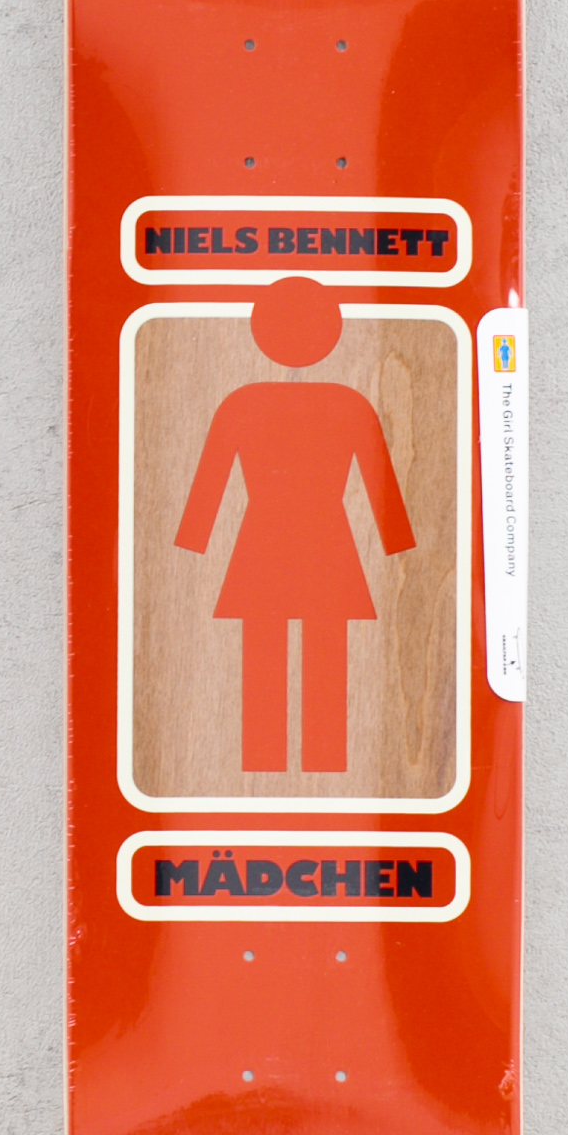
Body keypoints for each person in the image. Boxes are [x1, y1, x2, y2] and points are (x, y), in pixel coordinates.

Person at [175, 277, 415, 773]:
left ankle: (267, 760)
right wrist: (398, 548)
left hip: (265, 543)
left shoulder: (243, 403)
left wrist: (192, 545)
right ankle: (321, 760)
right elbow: (385, 497)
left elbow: (207, 492)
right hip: (325, 544)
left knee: (267, 654)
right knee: (322, 654)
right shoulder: (350, 404)